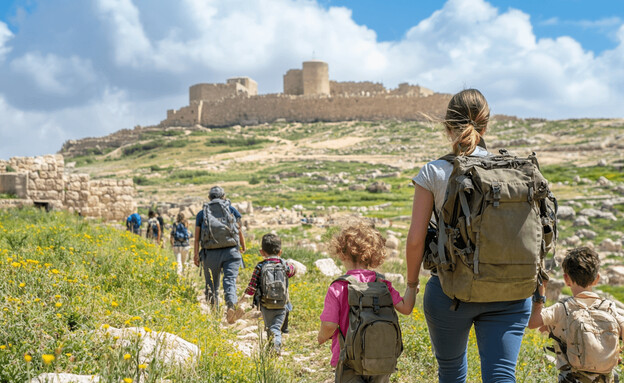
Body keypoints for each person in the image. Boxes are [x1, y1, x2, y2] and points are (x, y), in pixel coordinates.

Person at [406, 89, 532, 382]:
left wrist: (411, 287)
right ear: (486, 126)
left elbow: (415, 240)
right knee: (502, 375)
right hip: (511, 293)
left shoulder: (434, 172)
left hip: (452, 292)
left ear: (447, 127)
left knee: (451, 373)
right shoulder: (514, 171)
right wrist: (538, 298)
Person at [318, 222, 416, 383]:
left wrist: (321, 338)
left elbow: (329, 324)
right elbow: (406, 308)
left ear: (342, 252)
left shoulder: (339, 286)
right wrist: (412, 287)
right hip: (381, 357)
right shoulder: (381, 283)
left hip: (348, 359)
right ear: (373, 255)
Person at [528, 247, 624, 383]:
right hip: (605, 379)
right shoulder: (609, 308)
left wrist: (539, 299)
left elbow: (532, 323)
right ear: (597, 279)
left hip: (571, 379)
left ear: (566, 279)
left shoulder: (562, 308)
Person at [193, 186, 246, 318]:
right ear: (224, 196)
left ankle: (214, 315)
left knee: (211, 285)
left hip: (210, 253)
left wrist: (195, 255)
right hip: (231, 251)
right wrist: (242, 246)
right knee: (230, 280)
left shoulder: (202, 213)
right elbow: (238, 230)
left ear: (209, 197)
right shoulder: (231, 209)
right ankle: (231, 305)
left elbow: (197, 238)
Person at [239, 233, 296, 352]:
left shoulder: (260, 266)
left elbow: (252, 286)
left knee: (270, 327)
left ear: (262, 252)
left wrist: (243, 299)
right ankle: (276, 345)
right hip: (282, 303)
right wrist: (292, 266)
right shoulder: (284, 265)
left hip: (266, 304)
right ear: (280, 252)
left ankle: (274, 346)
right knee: (276, 327)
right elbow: (292, 271)